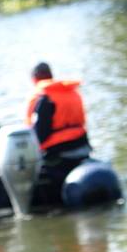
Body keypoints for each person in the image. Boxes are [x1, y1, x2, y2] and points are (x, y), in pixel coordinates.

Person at [26, 61, 92, 204]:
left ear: (34, 79)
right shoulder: (72, 92)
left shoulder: (44, 98)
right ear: (51, 75)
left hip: (58, 156)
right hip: (82, 148)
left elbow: (40, 136)